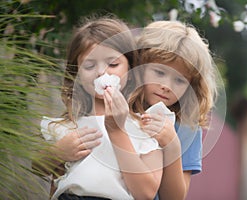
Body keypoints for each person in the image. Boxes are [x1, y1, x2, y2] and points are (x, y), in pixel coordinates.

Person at [36, 16, 165, 200]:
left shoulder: (145, 126)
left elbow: (146, 194)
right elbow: (41, 171)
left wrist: (117, 131)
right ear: (76, 73)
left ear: (130, 68)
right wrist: (57, 153)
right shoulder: (69, 124)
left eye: (113, 64)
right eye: (89, 65)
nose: (101, 72)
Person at [128, 20, 217, 200]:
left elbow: (174, 197)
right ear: (139, 65)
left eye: (179, 80)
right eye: (159, 72)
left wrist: (172, 145)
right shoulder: (116, 107)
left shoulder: (186, 128)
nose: (166, 86)